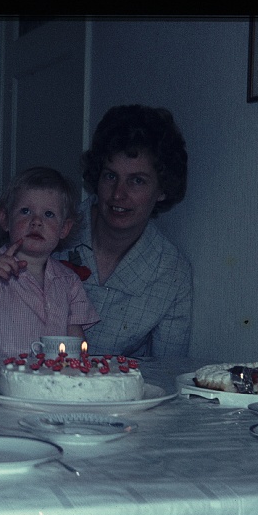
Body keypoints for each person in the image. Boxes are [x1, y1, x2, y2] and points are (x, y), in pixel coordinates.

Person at [54, 104, 192, 358]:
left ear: (162, 190)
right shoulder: (51, 230)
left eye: (137, 181)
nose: (118, 194)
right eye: (110, 176)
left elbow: (167, 372)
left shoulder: (172, 273)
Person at [0, 167, 99, 361]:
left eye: (48, 214)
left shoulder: (69, 281)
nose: (36, 221)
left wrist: (79, 367)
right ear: (5, 220)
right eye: (25, 211)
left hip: (49, 381)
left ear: (64, 228)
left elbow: (75, 338)